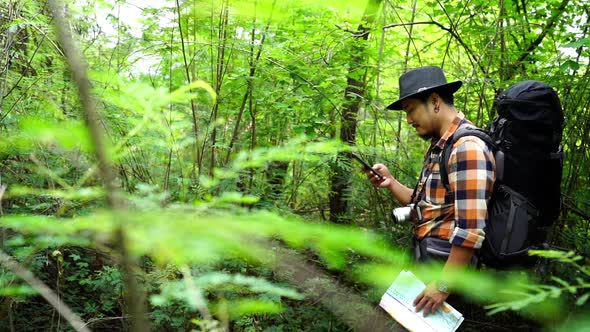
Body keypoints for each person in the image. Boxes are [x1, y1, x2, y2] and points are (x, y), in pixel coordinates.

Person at [366, 66, 496, 317]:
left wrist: (443, 286)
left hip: (445, 271)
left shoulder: (466, 147)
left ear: (435, 101)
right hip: (429, 261)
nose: (408, 120)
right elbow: (425, 207)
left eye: (411, 109)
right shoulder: (441, 146)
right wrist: (391, 182)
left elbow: (470, 230)